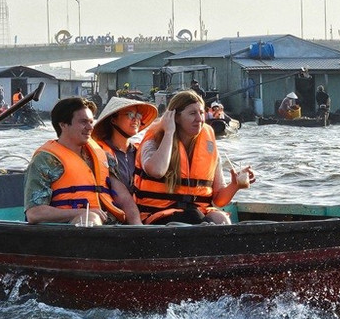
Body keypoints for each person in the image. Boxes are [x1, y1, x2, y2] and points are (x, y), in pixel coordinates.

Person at [134, 90, 255, 225]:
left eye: (201, 113)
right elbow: (156, 171)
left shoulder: (208, 144)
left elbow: (218, 200)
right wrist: (169, 132)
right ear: (176, 118)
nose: (199, 119)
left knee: (222, 220)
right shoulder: (154, 140)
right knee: (192, 218)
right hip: (158, 215)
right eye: (192, 113)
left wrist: (235, 185)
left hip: (196, 214)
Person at [23, 97, 142, 226]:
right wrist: (81, 213)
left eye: (91, 122)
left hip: (110, 226)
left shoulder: (104, 157)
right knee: (90, 218)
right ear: (63, 124)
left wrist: (139, 229)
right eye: (83, 122)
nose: (90, 127)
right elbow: (34, 213)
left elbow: (125, 200)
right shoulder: (45, 161)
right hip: (73, 228)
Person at [91, 96, 158, 193]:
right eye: (130, 115)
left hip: (138, 205)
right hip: (112, 206)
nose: (136, 120)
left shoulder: (139, 151)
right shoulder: (99, 151)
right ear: (113, 120)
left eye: (138, 116)